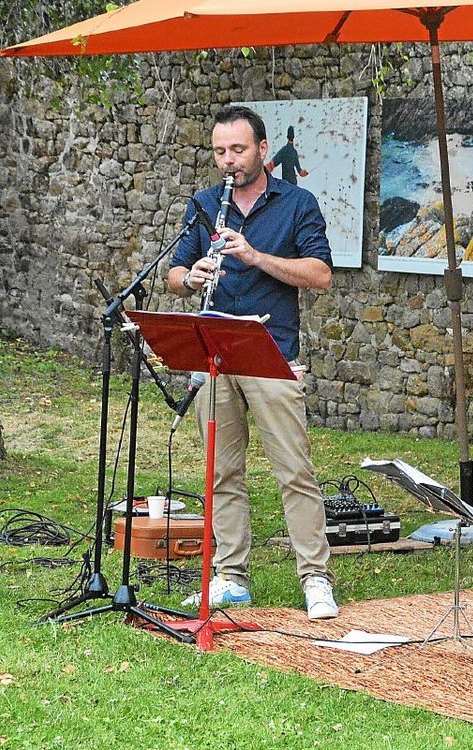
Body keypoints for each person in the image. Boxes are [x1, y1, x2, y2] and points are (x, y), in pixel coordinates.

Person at [168, 105, 338, 620]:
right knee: (222, 472)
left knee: (294, 470)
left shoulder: (298, 204)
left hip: (271, 351)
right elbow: (173, 273)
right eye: (220, 151)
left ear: (263, 150)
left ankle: (315, 579)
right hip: (214, 353)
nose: (228, 161)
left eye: (238, 150)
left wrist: (255, 256)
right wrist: (191, 277)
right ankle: (231, 576)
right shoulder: (203, 205)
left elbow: (320, 274)